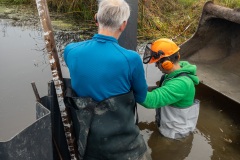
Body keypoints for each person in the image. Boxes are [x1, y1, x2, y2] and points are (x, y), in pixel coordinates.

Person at [64, 0, 151, 159]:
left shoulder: (71, 50)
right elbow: (141, 96)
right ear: (123, 25)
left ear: (96, 18)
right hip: (124, 148)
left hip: (88, 144)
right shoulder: (131, 59)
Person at [141, 38, 200, 139]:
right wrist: (145, 88)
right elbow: (162, 91)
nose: (156, 66)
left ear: (166, 63)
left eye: (157, 63)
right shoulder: (176, 73)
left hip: (175, 134)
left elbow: (151, 101)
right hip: (169, 123)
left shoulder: (181, 84)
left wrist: (132, 87)